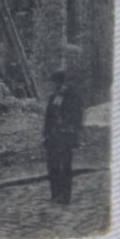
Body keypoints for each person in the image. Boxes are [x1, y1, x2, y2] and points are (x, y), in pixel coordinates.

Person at [43, 69, 83, 204]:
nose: (53, 86)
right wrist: (46, 133)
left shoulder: (73, 97)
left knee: (65, 166)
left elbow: (77, 117)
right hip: (53, 137)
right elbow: (48, 117)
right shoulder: (53, 97)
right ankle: (55, 194)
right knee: (52, 166)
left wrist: (68, 128)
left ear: (61, 83)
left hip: (65, 137)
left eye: (55, 83)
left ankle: (65, 196)